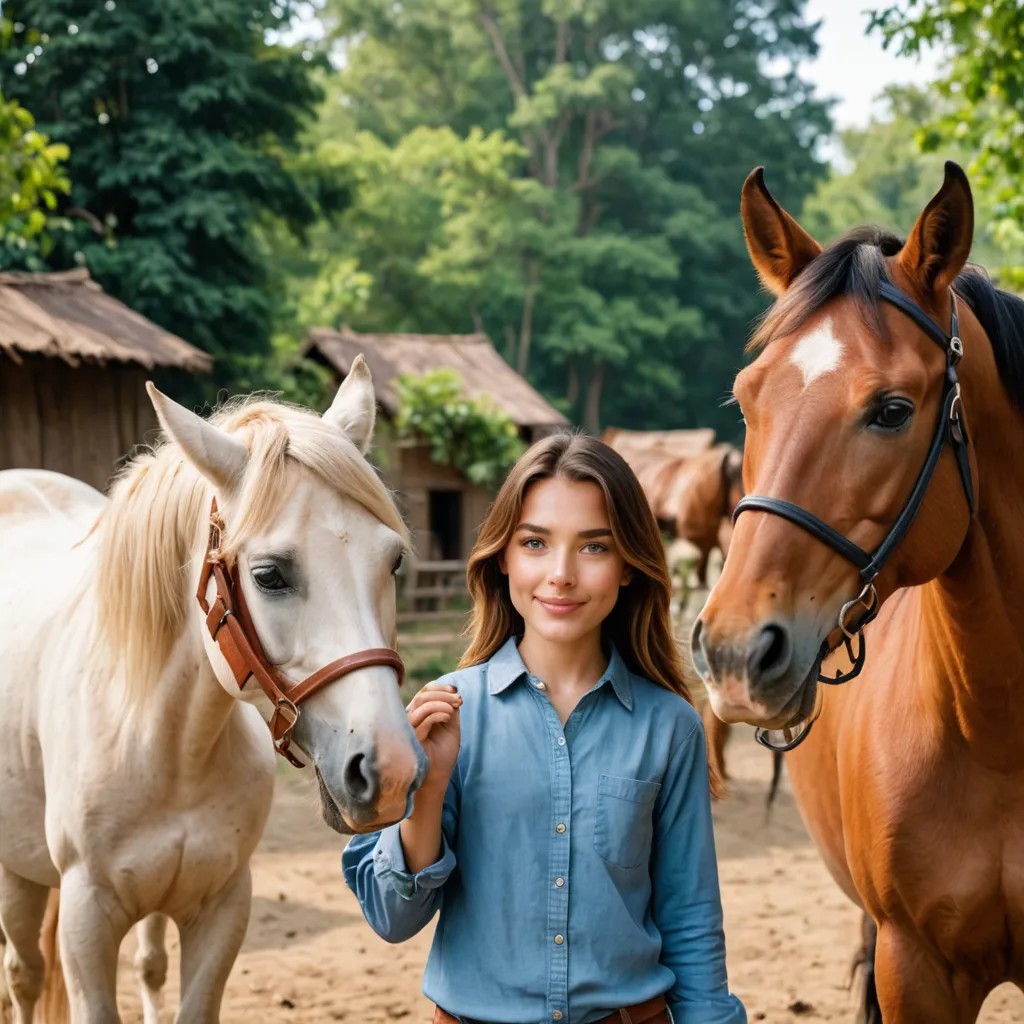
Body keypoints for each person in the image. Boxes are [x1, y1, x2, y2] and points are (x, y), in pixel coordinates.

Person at [343, 432, 746, 1024]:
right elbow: (392, 918)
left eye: (593, 547)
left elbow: (690, 920)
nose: (560, 574)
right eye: (535, 542)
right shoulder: (446, 715)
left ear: (629, 565)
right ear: (503, 557)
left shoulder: (672, 727)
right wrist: (426, 790)